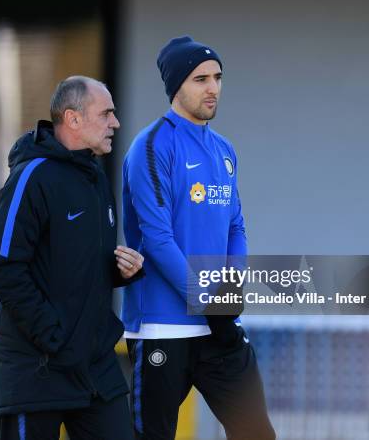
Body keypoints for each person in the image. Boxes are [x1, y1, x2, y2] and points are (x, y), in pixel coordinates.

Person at [122, 37, 275, 440]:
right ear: (176, 87)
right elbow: (156, 239)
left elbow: (236, 227)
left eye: (218, 77)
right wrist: (205, 298)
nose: (213, 88)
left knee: (256, 432)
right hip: (163, 327)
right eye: (200, 79)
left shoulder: (224, 150)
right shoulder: (151, 146)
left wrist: (230, 290)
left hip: (218, 329)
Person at [0, 76, 144, 440]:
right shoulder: (30, 177)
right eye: (106, 114)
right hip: (37, 370)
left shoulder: (95, 178)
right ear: (73, 119)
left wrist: (121, 271)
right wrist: (52, 334)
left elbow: (75, 264)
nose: (115, 124)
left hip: (95, 368)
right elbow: (3, 268)